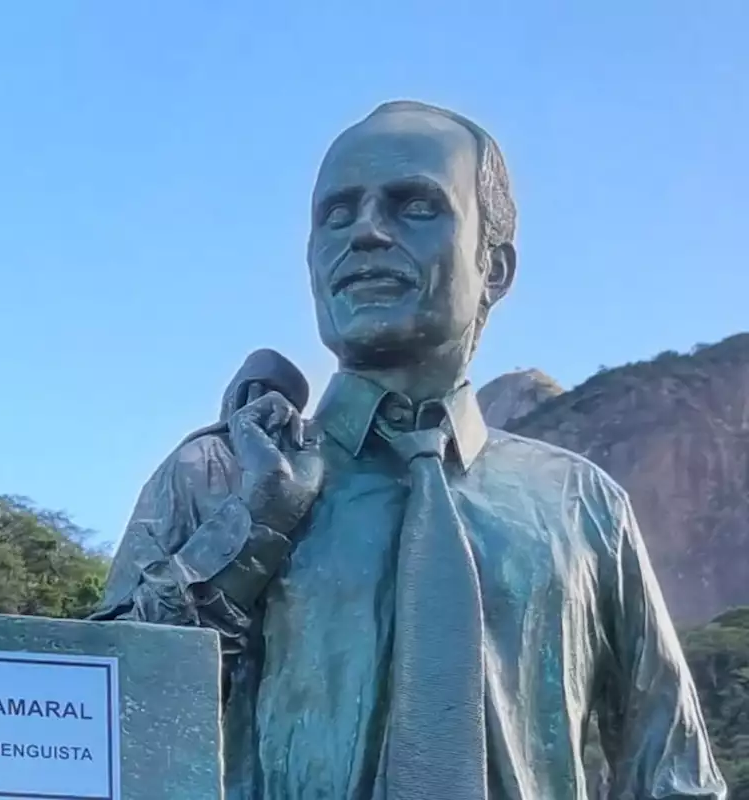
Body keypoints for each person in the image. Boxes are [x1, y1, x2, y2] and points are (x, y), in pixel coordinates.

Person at [91, 100, 726, 800]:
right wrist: (244, 541)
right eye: (336, 213)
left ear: (496, 268)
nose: (364, 231)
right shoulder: (214, 475)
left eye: (414, 206)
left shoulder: (586, 507)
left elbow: (675, 774)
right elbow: (95, 735)